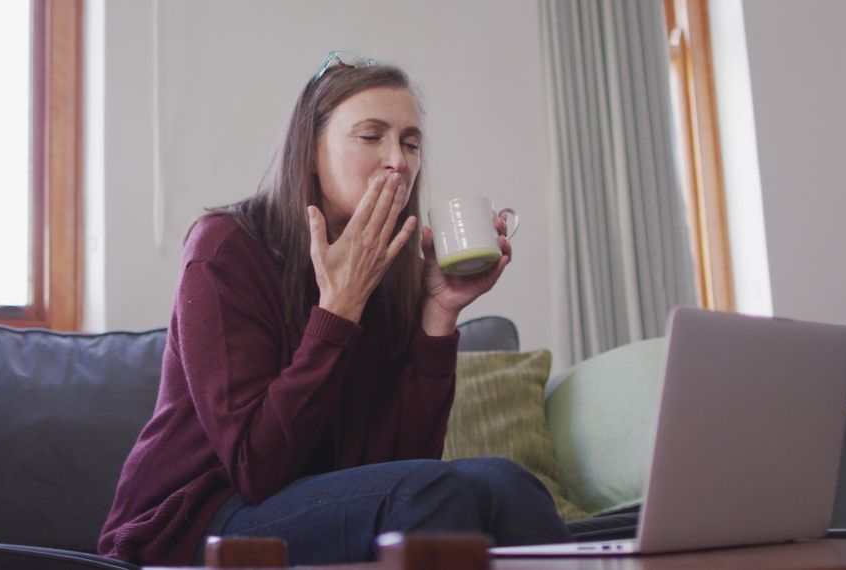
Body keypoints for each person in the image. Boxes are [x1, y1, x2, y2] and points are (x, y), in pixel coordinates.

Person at [97, 51, 574, 567]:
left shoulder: (389, 268)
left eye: (410, 143)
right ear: (310, 151)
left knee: (509, 484)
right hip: (191, 522)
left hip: (308, 498)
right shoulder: (225, 250)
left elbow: (401, 462)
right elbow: (256, 467)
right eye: (372, 136)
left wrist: (438, 311)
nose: (399, 160)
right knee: (430, 491)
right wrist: (338, 309)